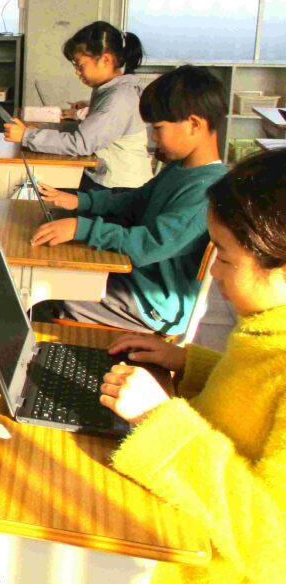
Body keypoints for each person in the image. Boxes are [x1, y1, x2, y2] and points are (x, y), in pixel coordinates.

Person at [99, 147, 286, 584]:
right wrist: (189, 363)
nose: (214, 272)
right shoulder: (268, 330)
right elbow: (252, 400)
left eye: (226, 258)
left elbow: (274, 547)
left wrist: (160, 419)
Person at [32, 66, 227, 336]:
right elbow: (136, 200)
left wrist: (82, 228)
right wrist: (81, 202)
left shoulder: (207, 192)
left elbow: (148, 245)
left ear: (194, 124)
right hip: (138, 279)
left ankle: (60, 356)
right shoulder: (181, 168)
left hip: (153, 303)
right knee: (52, 272)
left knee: (46, 293)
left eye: (158, 128)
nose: (153, 137)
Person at [5, 21, 153, 190]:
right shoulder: (112, 90)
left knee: (41, 190)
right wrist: (37, 129)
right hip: (108, 179)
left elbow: (81, 143)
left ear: (105, 60)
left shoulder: (118, 98)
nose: (77, 72)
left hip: (119, 189)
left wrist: (27, 136)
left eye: (80, 65)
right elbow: (86, 131)